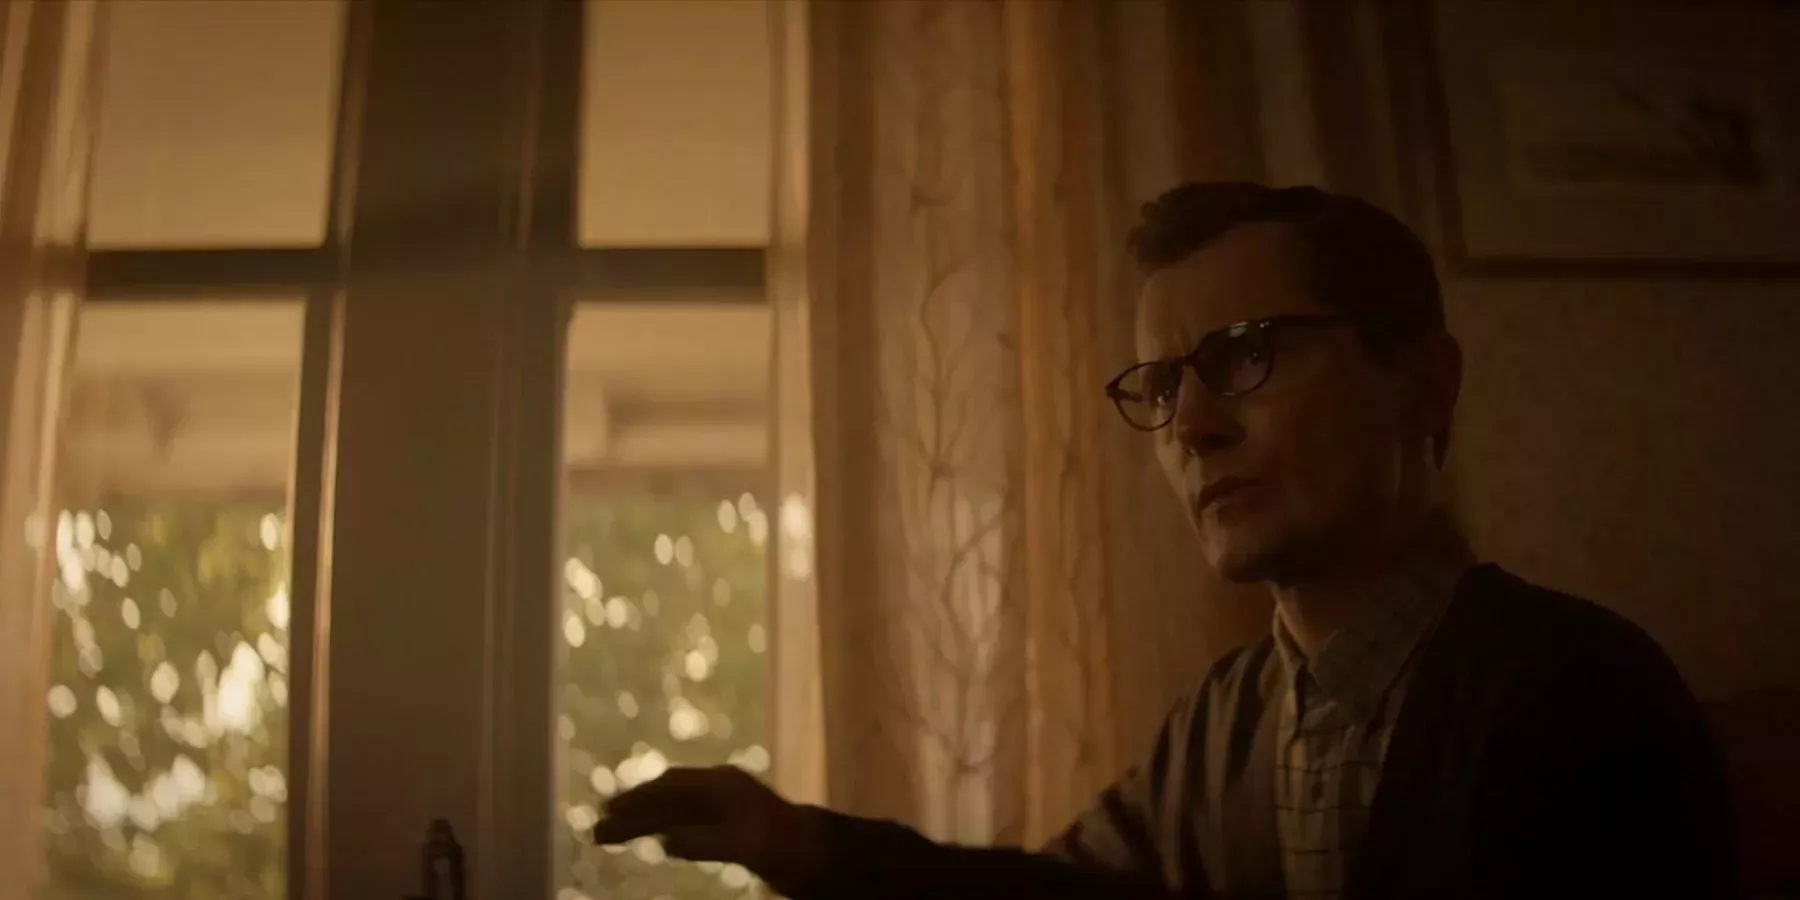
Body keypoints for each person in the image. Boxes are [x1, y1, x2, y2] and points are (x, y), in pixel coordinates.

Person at [592, 183, 1735, 899]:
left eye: (1246, 355)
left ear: (1424, 386)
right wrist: (800, 843)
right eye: (1160, 383)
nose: (1191, 425)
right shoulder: (1218, 727)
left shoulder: (1584, 692)